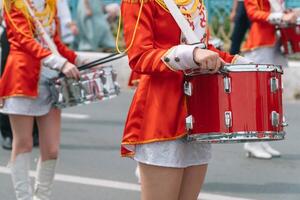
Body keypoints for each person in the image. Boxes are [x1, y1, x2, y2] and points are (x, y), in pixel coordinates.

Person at [119, 0, 249, 199]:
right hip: (162, 111)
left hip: (198, 111)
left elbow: (202, 47)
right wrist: (192, 54)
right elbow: (140, 56)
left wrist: (237, 62)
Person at [0, 0, 83, 199]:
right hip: (22, 78)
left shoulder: (50, 4)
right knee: (23, 144)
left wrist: (77, 59)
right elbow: (24, 40)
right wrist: (61, 63)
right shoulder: (12, 4)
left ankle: (42, 197)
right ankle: (24, 197)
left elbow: (55, 43)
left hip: (51, 80)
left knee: (52, 149)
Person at [242, 0, 298, 159]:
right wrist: (280, 16)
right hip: (260, 44)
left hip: (277, 43)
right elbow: (253, 13)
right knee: (257, 95)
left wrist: (290, 14)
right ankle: (252, 141)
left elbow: (279, 9)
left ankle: (263, 139)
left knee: (272, 94)